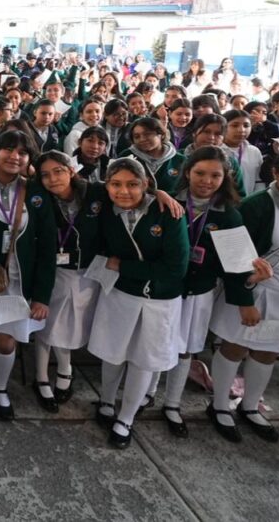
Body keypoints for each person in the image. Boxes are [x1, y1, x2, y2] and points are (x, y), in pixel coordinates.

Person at [208, 147, 279, 444]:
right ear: (276, 173)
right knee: (235, 346)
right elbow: (234, 259)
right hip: (252, 291)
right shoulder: (255, 205)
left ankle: (251, 406)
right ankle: (218, 406)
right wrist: (243, 302)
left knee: (268, 351)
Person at [88, 157, 188, 449]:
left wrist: (123, 267)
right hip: (120, 294)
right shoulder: (106, 207)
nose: (124, 191)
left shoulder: (167, 212)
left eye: (133, 184)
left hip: (159, 299)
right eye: (116, 184)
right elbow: (78, 185)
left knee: (144, 360)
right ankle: (106, 401)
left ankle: (126, 418)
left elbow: (175, 269)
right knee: (112, 352)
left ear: (146, 184)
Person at [0, 131, 57, 420]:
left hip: (17, 280)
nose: (14, 156)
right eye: (8, 150)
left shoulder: (37, 193)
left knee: (5, 340)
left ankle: (0, 388)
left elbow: (47, 248)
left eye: (22, 152)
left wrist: (41, 296)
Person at [155, 147, 246, 438]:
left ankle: (172, 404)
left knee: (186, 349)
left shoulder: (229, 215)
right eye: (200, 173)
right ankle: (145, 392)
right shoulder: (169, 203)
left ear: (225, 177)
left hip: (199, 292)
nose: (207, 181)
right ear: (187, 172)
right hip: (165, 289)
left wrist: (251, 277)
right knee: (156, 341)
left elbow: (237, 266)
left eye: (215, 175)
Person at [34, 151, 105, 409]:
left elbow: (133, 187)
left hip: (88, 272)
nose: (52, 179)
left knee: (74, 324)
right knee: (48, 321)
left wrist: (160, 193)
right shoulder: (40, 199)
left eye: (58, 171)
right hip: (54, 271)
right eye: (45, 175)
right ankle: (45, 375)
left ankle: (66, 366)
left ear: (71, 170)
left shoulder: (95, 192)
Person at [122, 117, 186, 193]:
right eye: (137, 137)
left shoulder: (180, 160)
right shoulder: (126, 157)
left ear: (161, 134)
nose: (142, 139)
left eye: (147, 134)